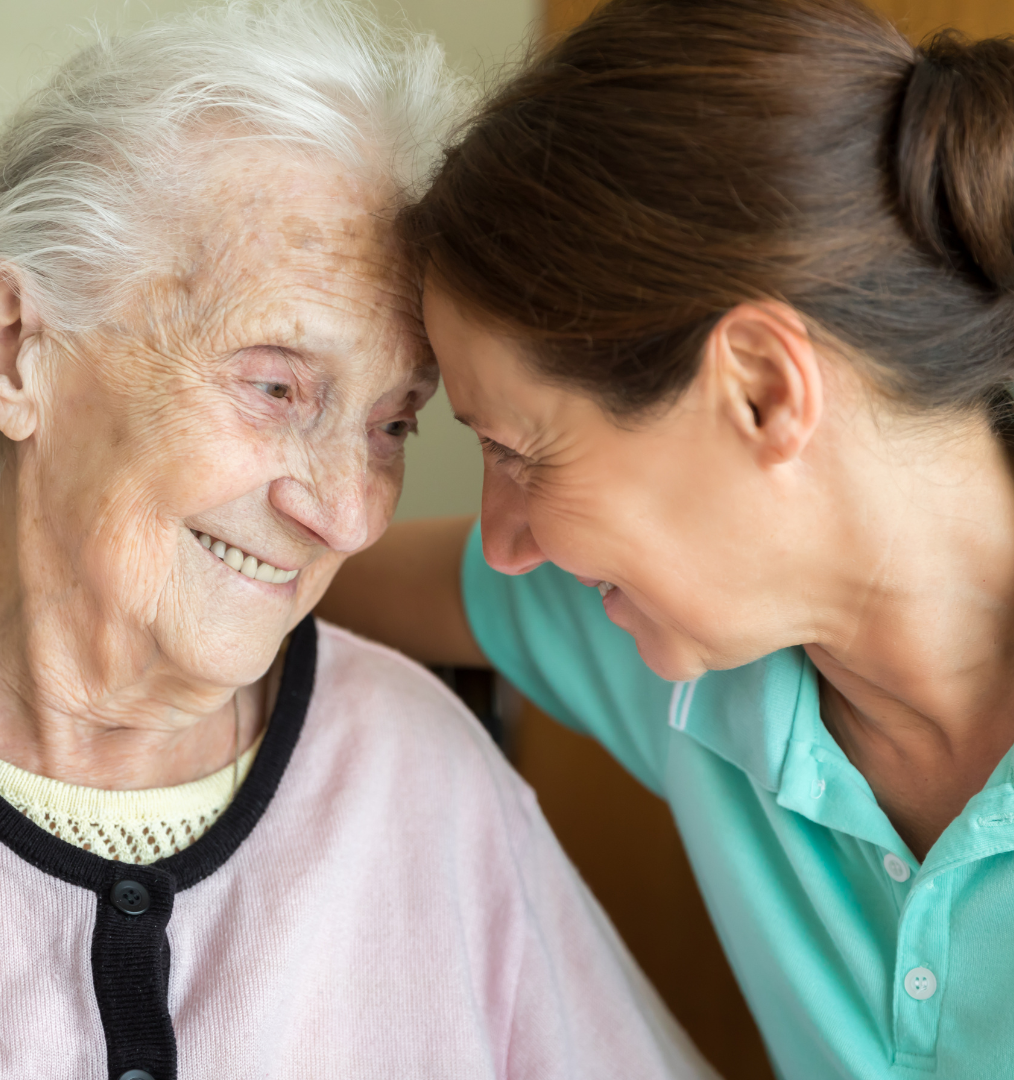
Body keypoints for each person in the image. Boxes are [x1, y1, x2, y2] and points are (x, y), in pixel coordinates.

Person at [0, 4, 720, 1078]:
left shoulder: (419, 772)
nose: (349, 516)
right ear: (16, 349)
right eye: (274, 387)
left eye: (392, 423)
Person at [317, 1, 1014, 1076]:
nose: (506, 543)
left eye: (518, 452)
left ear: (762, 392)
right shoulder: (665, 642)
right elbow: (299, 568)